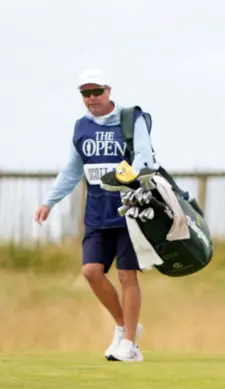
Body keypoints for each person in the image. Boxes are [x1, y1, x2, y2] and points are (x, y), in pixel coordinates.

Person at [33, 69, 158, 362]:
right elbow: (73, 170)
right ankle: (123, 325)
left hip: (130, 209)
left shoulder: (131, 118)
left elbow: (144, 155)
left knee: (128, 275)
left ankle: (130, 344)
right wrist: (48, 202)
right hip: (97, 213)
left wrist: (129, 174)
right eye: (85, 94)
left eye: (96, 92)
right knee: (91, 271)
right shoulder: (81, 127)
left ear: (108, 91)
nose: (91, 99)